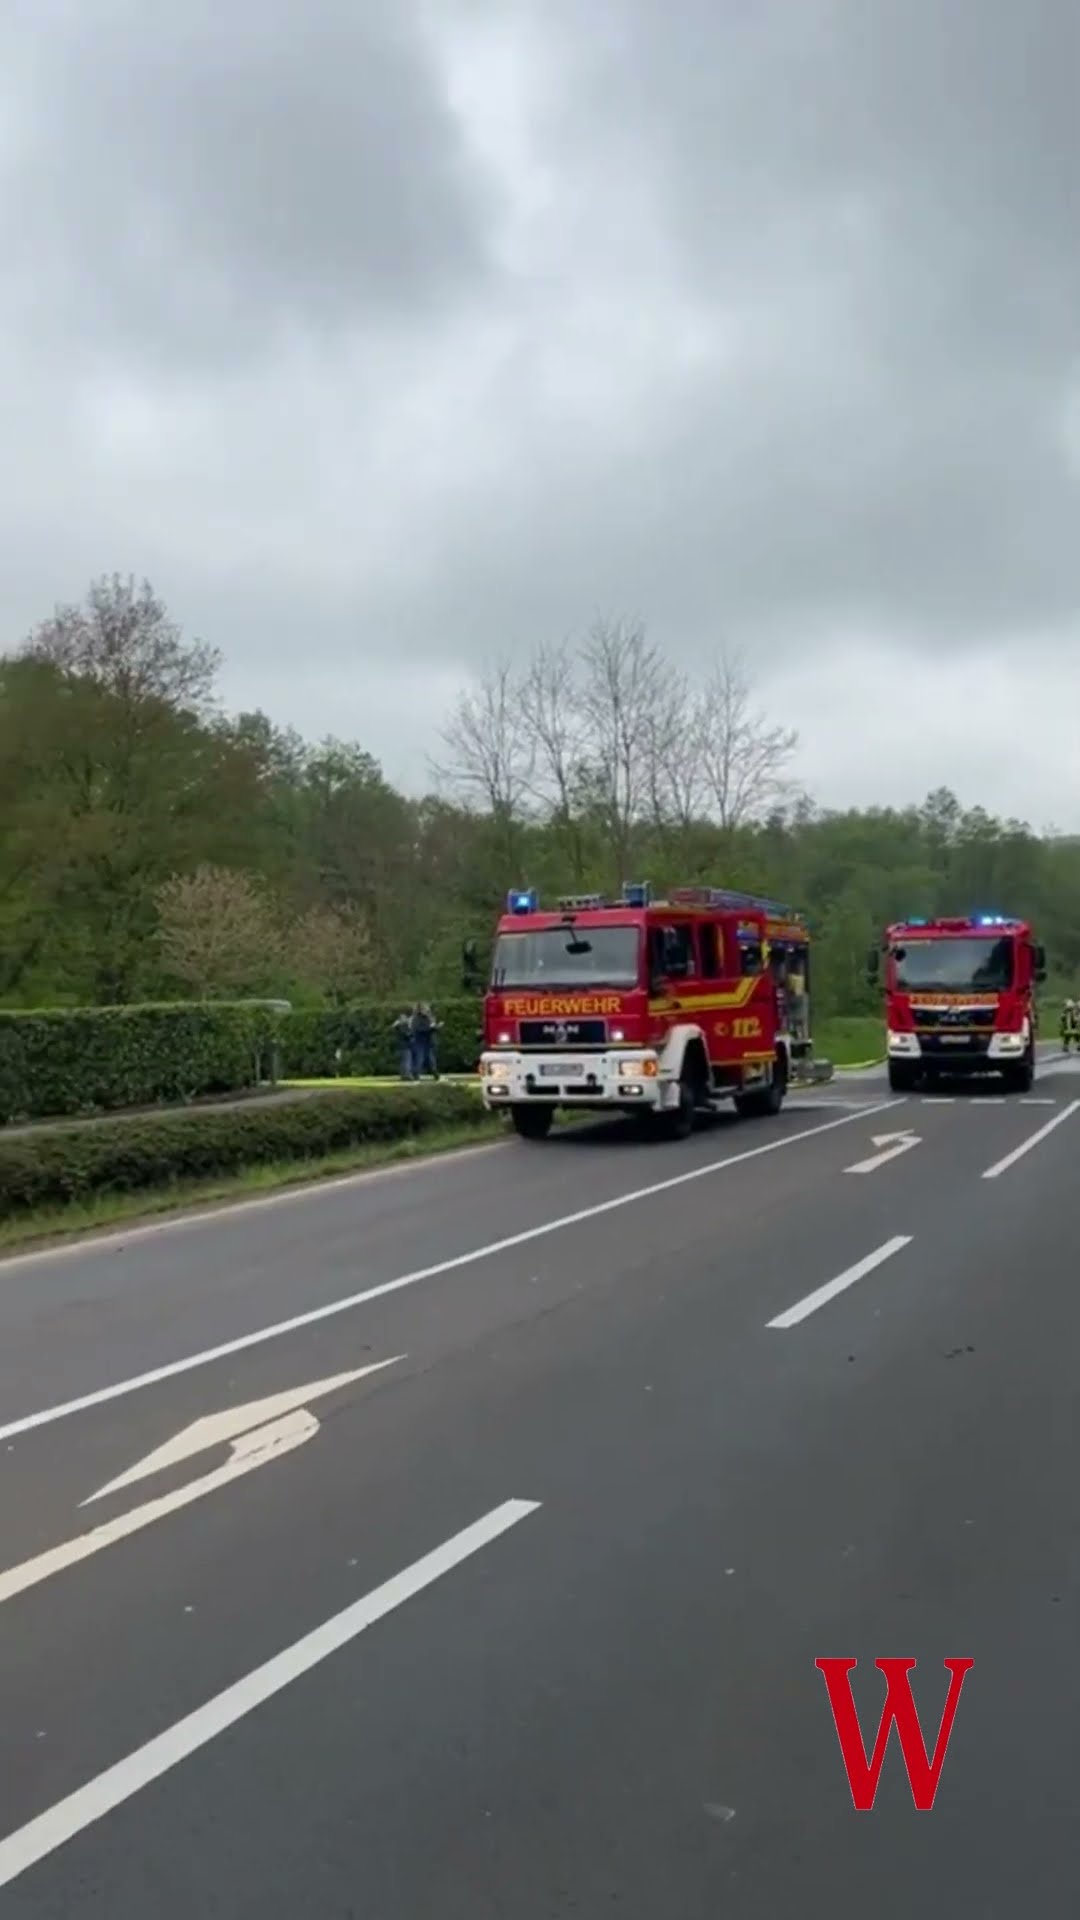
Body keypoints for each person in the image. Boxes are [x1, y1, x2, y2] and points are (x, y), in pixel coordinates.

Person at [410, 1001, 440, 1079]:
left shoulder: (428, 1018)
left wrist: (435, 1027)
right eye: (426, 1009)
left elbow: (429, 1029)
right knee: (420, 1058)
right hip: (419, 1041)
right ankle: (416, 1074)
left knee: (431, 1059)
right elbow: (418, 1029)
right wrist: (430, 1028)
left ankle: (435, 1073)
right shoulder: (416, 1018)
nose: (427, 1010)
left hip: (428, 1041)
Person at [391, 1009, 415, 1079]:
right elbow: (407, 1035)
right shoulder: (402, 1026)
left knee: (403, 1061)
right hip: (405, 1046)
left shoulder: (398, 1026)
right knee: (407, 1060)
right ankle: (407, 1075)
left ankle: (403, 1075)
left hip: (401, 1046)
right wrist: (412, 1033)